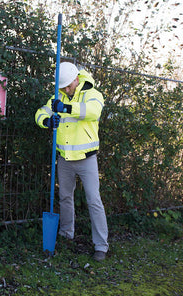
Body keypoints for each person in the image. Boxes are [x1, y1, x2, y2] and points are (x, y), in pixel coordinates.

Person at [35, 62, 109, 261]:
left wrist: (66, 108)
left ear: (77, 79)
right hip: (64, 158)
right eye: (63, 87)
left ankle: (101, 245)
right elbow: (40, 112)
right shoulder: (57, 95)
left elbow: (93, 112)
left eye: (68, 86)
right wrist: (47, 121)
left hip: (87, 159)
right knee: (65, 198)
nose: (66, 89)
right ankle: (67, 234)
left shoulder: (92, 93)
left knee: (94, 201)